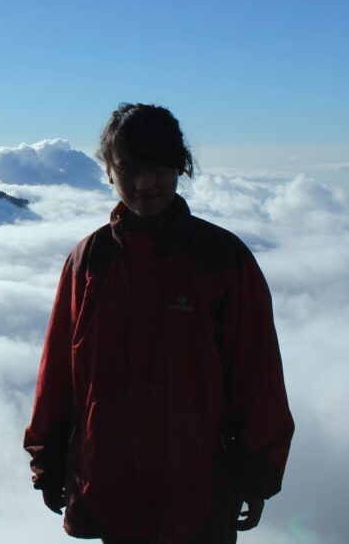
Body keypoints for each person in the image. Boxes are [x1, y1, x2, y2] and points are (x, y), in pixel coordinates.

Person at [23, 103, 293, 543]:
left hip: (198, 497)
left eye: (158, 167)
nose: (144, 184)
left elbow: (256, 373)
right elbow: (58, 373)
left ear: (179, 167)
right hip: (106, 488)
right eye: (128, 168)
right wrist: (48, 460)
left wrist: (256, 470)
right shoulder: (88, 262)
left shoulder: (221, 259)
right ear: (109, 171)